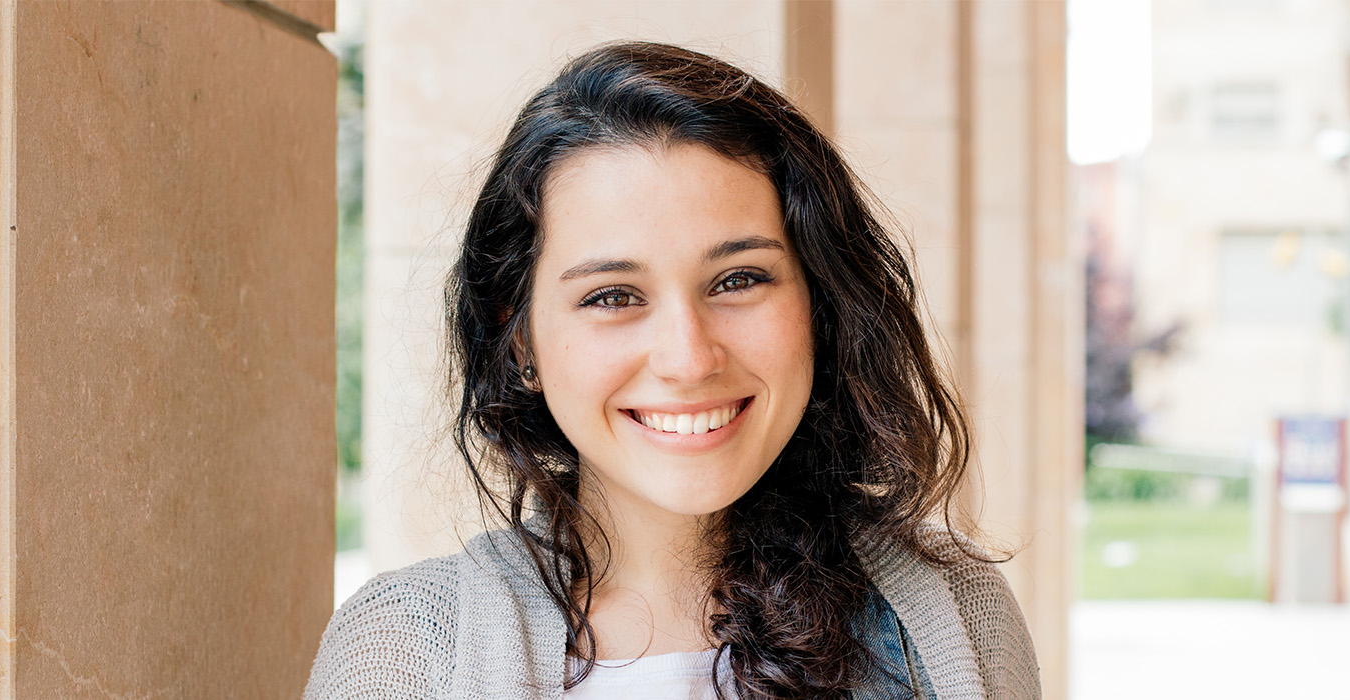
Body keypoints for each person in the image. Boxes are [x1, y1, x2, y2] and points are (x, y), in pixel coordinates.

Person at [304, 41, 1039, 700]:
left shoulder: (957, 617)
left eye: (738, 280)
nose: (689, 359)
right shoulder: (401, 655)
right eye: (613, 296)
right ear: (520, 340)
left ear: (818, 301)